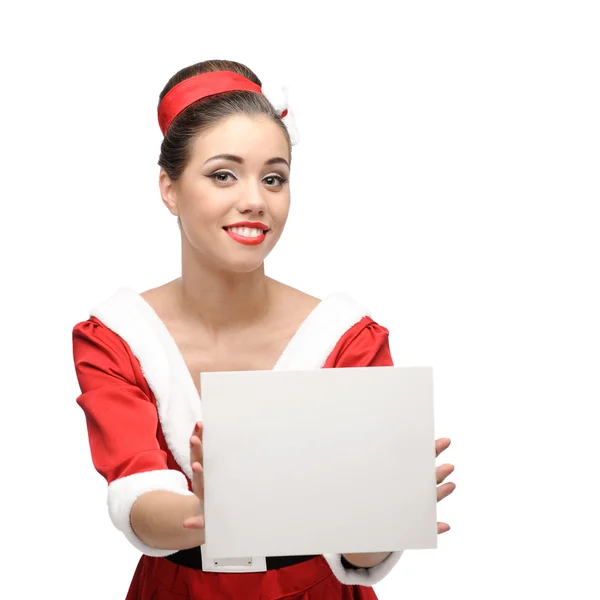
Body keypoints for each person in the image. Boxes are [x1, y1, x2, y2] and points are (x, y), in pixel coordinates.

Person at [72, 59, 456, 600]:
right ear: (170, 189)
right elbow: (135, 494)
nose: (255, 199)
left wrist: (386, 517)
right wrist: (211, 513)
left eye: (273, 177)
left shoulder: (347, 338)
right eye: (223, 174)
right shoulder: (116, 336)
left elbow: (360, 554)